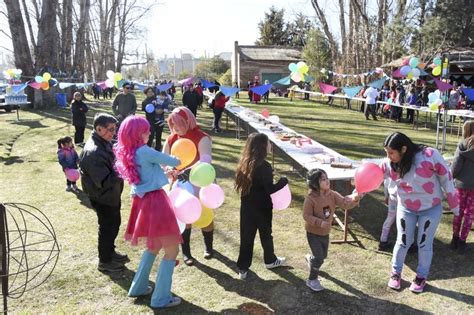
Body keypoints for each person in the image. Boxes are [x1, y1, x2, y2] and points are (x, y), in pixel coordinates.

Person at [114, 116, 182, 308]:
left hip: (143, 202)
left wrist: (165, 174)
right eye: (146, 130)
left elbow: (147, 173)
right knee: (172, 249)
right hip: (156, 202)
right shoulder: (145, 151)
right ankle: (161, 298)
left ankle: (138, 287)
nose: (149, 132)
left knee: (153, 246)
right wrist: (176, 142)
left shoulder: (128, 152)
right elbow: (175, 160)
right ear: (137, 134)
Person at [380, 132, 458, 293]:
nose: (388, 157)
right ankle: (395, 274)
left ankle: (421, 277)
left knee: (424, 243)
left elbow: (446, 177)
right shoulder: (389, 163)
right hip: (406, 208)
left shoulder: (429, 155)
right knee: (402, 241)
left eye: (391, 153)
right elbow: (372, 175)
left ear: (403, 149)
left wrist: (455, 206)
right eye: (386, 152)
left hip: (430, 209)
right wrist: (357, 193)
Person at [163, 107, 213, 266]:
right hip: (180, 184)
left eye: (179, 124)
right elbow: (163, 159)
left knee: (205, 216)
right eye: (173, 124)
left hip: (199, 181)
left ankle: (209, 247)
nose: (176, 128)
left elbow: (205, 159)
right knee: (185, 216)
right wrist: (168, 169)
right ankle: (186, 252)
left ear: (188, 121)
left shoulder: (202, 137)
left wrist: (187, 171)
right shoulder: (171, 138)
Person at [235, 132, 288, 280]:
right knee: (266, 235)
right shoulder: (264, 166)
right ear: (263, 146)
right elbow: (270, 189)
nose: (271, 146)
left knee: (246, 237)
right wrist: (283, 181)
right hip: (262, 209)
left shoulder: (245, 163)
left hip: (246, 209)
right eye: (269, 143)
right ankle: (269, 260)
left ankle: (243, 267)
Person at [79, 113, 127, 273]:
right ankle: (105, 261)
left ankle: (110, 252)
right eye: (110, 129)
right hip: (103, 197)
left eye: (115, 129)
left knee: (114, 224)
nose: (113, 133)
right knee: (107, 227)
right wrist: (123, 170)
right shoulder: (94, 152)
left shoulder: (103, 142)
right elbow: (104, 181)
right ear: (98, 129)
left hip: (111, 196)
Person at [303, 168, 359, 291]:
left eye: (327, 177)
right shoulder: (310, 199)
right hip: (313, 233)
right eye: (323, 179)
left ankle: (311, 260)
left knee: (323, 256)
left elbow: (345, 203)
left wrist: (356, 199)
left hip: (325, 233)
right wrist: (320, 223)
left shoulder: (332, 194)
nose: (327, 180)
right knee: (319, 257)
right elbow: (306, 216)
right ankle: (312, 280)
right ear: (314, 183)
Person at [450, 121, 474, 254]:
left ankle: (455, 238)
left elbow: (456, 166)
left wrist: (451, 177)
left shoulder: (462, 145)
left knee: (458, 212)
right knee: (469, 214)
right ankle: (462, 241)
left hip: (461, 184)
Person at [379, 178, 397, 251]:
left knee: (390, 219)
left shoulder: (390, 168)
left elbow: (386, 183)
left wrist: (386, 196)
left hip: (393, 197)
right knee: (407, 220)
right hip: (404, 199)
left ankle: (383, 241)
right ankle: (410, 242)